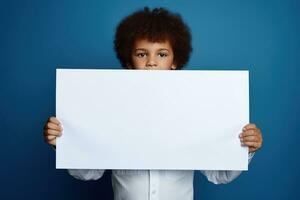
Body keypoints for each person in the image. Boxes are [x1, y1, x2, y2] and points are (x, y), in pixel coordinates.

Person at [43, 7, 263, 200]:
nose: (151, 62)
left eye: (162, 54)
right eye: (141, 54)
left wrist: (246, 148)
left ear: (174, 62)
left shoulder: (193, 110)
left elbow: (220, 175)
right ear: (129, 62)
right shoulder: (112, 111)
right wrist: (62, 143)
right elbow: (88, 172)